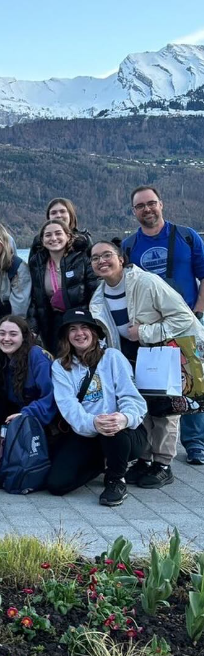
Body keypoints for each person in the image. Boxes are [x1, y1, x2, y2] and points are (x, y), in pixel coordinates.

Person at [88, 240, 204, 488]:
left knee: (165, 410)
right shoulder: (98, 296)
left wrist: (145, 332)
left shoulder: (146, 282)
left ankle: (163, 464)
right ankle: (144, 459)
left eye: (107, 255)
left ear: (121, 258)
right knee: (140, 408)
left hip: (161, 351)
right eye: (95, 258)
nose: (101, 261)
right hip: (129, 356)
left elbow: (184, 318)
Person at [121, 185, 204, 466]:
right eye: (140, 206)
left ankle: (195, 444)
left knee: (192, 384)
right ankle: (152, 452)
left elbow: (203, 275)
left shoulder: (187, 237)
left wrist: (199, 311)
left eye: (151, 203)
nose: (147, 209)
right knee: (158, 387)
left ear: (161, 204)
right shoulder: (129, 246)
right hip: (149, 328)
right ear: (134, 212)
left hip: (185, 322)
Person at [48, 309, 148, 506]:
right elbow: (68, 406)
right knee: (57, 485)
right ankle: (100, 462)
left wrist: (124, 418)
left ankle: (116, 479)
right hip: (87, 431)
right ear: (66, 337)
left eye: (85, 327)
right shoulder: (60, 366)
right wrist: (93, 422)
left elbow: (132, 398)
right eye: (73, 329)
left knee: (112, 427)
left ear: (94, 333)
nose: (79, 333)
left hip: (123, 433)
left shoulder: (112, 357)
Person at [27, 220, 97, 352]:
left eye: (58, 233)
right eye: (48, 235)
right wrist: (33, 328)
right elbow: (35, 300)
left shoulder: (81, 259)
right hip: (52, 325)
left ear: (68, 236)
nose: (53, 238)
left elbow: (94, 292)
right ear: (42, 240)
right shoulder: (36, 264)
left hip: (80, 323)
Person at [0, 315, 57, 431]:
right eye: (2, 333)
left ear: (24, 337)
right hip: (15, 420)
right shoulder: (0, 358)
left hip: (42, 425)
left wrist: (27, 414)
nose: (6, 338)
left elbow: (51, 397)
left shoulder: (37, 357)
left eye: (13, 334)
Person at [28, 198, 92, 260]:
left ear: (70, 215)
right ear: (49, 217)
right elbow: (33, 267)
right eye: (53, 213)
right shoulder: (38, 241)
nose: (58, 215)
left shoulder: (83, 240)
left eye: (62, 211)